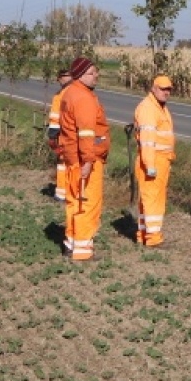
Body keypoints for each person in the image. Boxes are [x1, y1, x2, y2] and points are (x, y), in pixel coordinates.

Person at [57, 57, 109, 261]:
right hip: (86, 159)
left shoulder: (69, 93)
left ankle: (71, 243)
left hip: (72, 158)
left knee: (74, 201)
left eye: (96, 72)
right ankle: (83, 250)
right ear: (79, 74)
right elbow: (86, 133)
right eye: (91, 73)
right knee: (87, 203)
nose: (96, 76)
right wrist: (88, 161)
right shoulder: (83, 98)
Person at [131, 75, 176, 247]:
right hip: (154, 160)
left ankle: (144, 234)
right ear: (154, 88)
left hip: (161, 160)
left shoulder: (158, 107)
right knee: (153, 200)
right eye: (163, 89)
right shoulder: (149, 109)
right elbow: (147, 140)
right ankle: (153, 238)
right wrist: (149, 165)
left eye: (169, 89)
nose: (166, 92)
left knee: (149, 199)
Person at [46, 68, 74, 202]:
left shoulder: (60, 95)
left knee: (63, 163)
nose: (59, 82)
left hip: (64, 135)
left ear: (64, 77)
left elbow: (55, 117)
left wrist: (52, 136)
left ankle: (62, 193)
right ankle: (73, 192)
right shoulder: (79, 91)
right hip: (76, 136)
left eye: (59, 79)